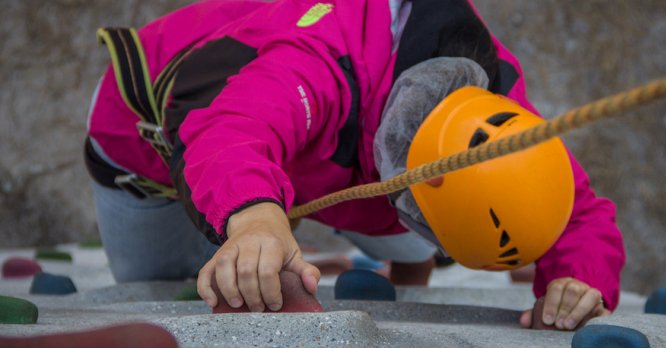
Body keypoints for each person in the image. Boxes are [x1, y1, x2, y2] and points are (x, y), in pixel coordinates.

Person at [85, 0, 625, 331]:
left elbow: (579, 212)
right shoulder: (321, 57)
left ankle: (400, 259)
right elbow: (228, 130)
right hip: (151, 142)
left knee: (421, 229)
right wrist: (254, 219)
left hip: (338, 165)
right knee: (168, 286)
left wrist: (580, 281)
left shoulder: (500, 116)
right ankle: (272, 211)